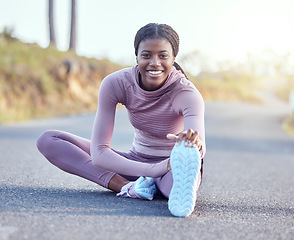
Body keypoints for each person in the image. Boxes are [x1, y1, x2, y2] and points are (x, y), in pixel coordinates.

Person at [37, 23, 206, 217]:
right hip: (135, 162)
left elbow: (200, 148)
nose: (154, 63)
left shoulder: (187, 93)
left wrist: (191, 143)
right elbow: (100, 153)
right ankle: (129, 186)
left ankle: (161, 185)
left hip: (172, 166)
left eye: (163, 55)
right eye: (146, 55)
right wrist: (152, 169)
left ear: (174, 58)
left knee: (178, 176)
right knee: (49, 140)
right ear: (136, 56)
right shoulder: (117, 83)